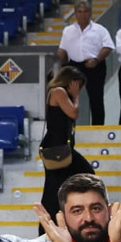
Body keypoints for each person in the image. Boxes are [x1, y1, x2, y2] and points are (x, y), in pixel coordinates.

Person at [39, 66, 93, 221]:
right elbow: (73, 112)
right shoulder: (58, 92)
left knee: (59, 185)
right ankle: (47, 223)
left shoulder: (60, 93)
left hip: (63, 146)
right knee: (54, 187)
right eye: (77, 86)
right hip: (57, 147)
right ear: (70, 82)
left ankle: (68, 213)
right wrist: (76, 97)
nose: (79, 90)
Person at [57, 1, 113, 124]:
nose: (83, 15)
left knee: (96, 98)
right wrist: (61, 65)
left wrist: (97, 59)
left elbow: (108, 47)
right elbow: (62, 50)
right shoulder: (68, 30)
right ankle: (68, 127)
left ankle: (98, 128)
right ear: (75, 14)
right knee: (68, 97)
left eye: (86, 11)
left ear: (90, 13)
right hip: (74, 66)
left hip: (94, 65)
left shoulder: (100, 30)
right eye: (79, 12)